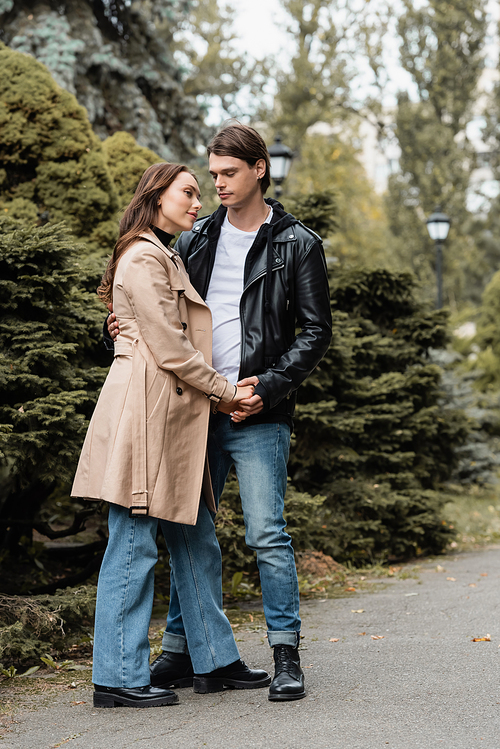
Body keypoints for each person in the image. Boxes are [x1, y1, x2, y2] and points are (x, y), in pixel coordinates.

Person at [107, 123, 332, 701]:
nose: (218, 184)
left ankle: (286, 654)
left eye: (229, 173)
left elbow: (315, 332)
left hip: (259, 410)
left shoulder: (297, 244)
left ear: (261, 169)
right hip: (197, 408)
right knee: (189, 529)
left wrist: (272, 386)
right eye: (211, 175)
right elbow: (163, 314)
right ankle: (185, 654)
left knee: (266, 534)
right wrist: (124, 327)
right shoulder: (196, 238)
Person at [72, 162, 271, 709]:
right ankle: (117, 677)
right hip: (146, 414)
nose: (197, 200)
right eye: (187, 191)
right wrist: (228, 392)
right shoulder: (142, 256)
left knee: (196, 537)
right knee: (133, 545)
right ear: (156, 195)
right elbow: (170, 348)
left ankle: (214, 658)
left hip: (173, 417)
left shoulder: (164, 253)